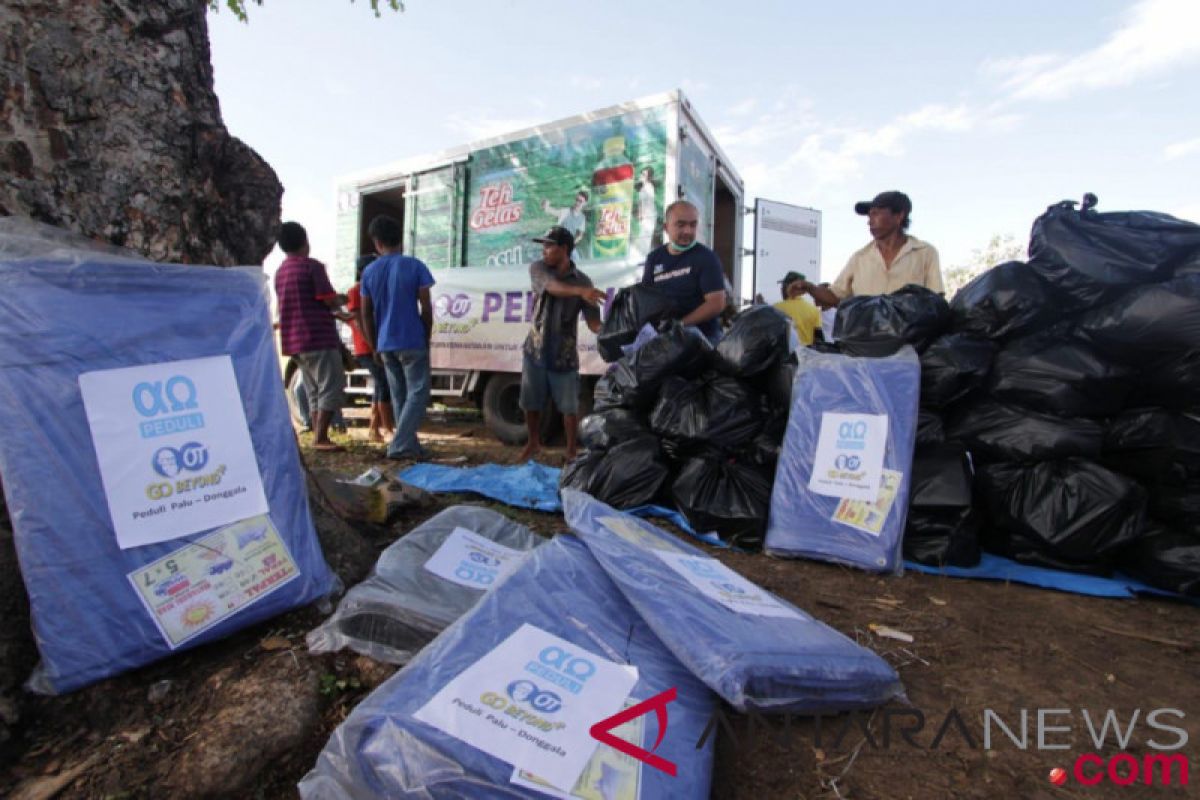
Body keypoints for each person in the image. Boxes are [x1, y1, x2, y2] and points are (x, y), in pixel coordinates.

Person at [517, 226, 604, 463]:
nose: (544, 250)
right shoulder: (539, 269)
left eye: (549, 245)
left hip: (564, 354)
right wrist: (581, 292)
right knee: (530, 402)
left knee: (569, 408)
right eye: (544, 245)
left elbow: (594, 323)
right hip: (535, 349)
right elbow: (552, 288)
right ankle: (533, 443)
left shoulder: (584, 281)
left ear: (564, 249)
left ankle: (571, 451)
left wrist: (612, 327)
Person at [359, 215, 435, 461]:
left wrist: (373, 345)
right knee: (419, 392)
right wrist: (427, 335)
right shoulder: (414, 266)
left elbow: (365, 313)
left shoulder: (369, 271)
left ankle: (410, 446)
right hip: (411, 338)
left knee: (400, 394)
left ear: (377, 243)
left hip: (385, 343)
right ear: (400, 240)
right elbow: (426, 307)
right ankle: (400, 445)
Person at [274, 221, 346, 452]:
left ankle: (318, 434)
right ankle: (321, 437)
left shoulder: (280, 271)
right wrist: (342, 299)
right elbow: (327, 299)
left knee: (313, 388)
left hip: (294, 341)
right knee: (330, 385)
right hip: (317, 336)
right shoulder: (311, 267)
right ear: (306, 241)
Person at [804, 191, 944, 308]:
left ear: (899, 216)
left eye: (876, 214)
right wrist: (810, 288)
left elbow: (937, 300)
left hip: (912, 339)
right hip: (867, 339)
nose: (870, 221)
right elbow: (835, 295)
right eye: (869, 215)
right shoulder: (860, 258)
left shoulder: (925, 253)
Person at [640, 200, 727, 343]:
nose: (688, 231)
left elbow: (717, 303)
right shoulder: (654, 258)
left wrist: (680, 325)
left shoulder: (706, 257)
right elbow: (645, 300)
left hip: (704, 339)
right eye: (681, 225)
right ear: (666, 227)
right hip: (666, 338)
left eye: (693, 225)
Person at [346, 254, 395, 443]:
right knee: (383, 383)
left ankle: (374, 429)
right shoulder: (356, 291)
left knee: (380, 384)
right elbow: (358, 321)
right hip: (366, 347)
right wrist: (373, 345)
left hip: (375, 345)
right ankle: (387, 428)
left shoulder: (369, 290)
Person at [773, 270, 822, 345]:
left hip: (785, 354)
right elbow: (818, 338)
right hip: (806, 354)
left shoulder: (775, 308)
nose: (781, 289)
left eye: (783, 286)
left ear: (789, 287)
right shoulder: (814, 310)